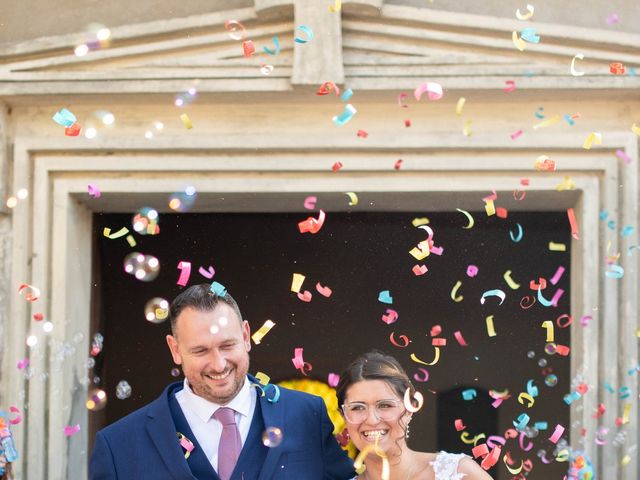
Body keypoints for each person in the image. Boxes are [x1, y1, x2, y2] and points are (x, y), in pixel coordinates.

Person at [90, 284, 354, 479]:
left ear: (246, 335)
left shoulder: (308, 415)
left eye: (227, 345)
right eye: (200, 351)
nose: (218, 364)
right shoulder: (118, 445)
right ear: (175, 349)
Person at [336, 351, 493, 480]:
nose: (371, 419)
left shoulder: (459, 472)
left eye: (385, 405)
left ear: (410, 408)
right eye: (357, 407)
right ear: (343, 415)